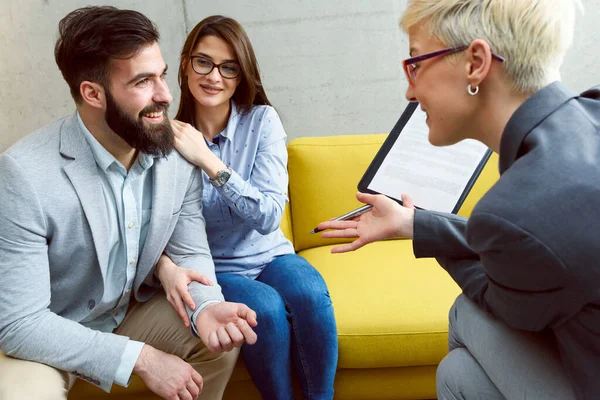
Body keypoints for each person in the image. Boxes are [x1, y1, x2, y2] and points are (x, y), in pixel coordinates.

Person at [317, 0, 599, 399]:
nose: (409, 91)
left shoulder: (515, 210)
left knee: (467, 312)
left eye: (415, 62)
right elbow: (544, 244)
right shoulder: (593, 110)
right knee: (458, 374)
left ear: (476, 63)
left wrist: (427, 234)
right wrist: (415, 224)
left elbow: (507, 289)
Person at [0, 6, 259, 400]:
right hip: (50, 326)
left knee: (217, 342)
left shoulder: (175, 155)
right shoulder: (23, 174)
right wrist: (141, 358)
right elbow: (20, 323)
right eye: (143, 82)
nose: (166, 95)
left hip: (126, 312)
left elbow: (191, 254)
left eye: (162, 75)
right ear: (92, 93)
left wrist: (206, 308)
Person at [156, 15, 338, 400]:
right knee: (265, 312)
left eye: (229, 67)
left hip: (270, 254)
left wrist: (209, 161)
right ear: (186, 63)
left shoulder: (262, 121)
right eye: (203, 62)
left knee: (310, 294)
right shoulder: (164, 140)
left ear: (241, 76)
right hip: (215, 268)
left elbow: (269, 215)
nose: (214, 76)